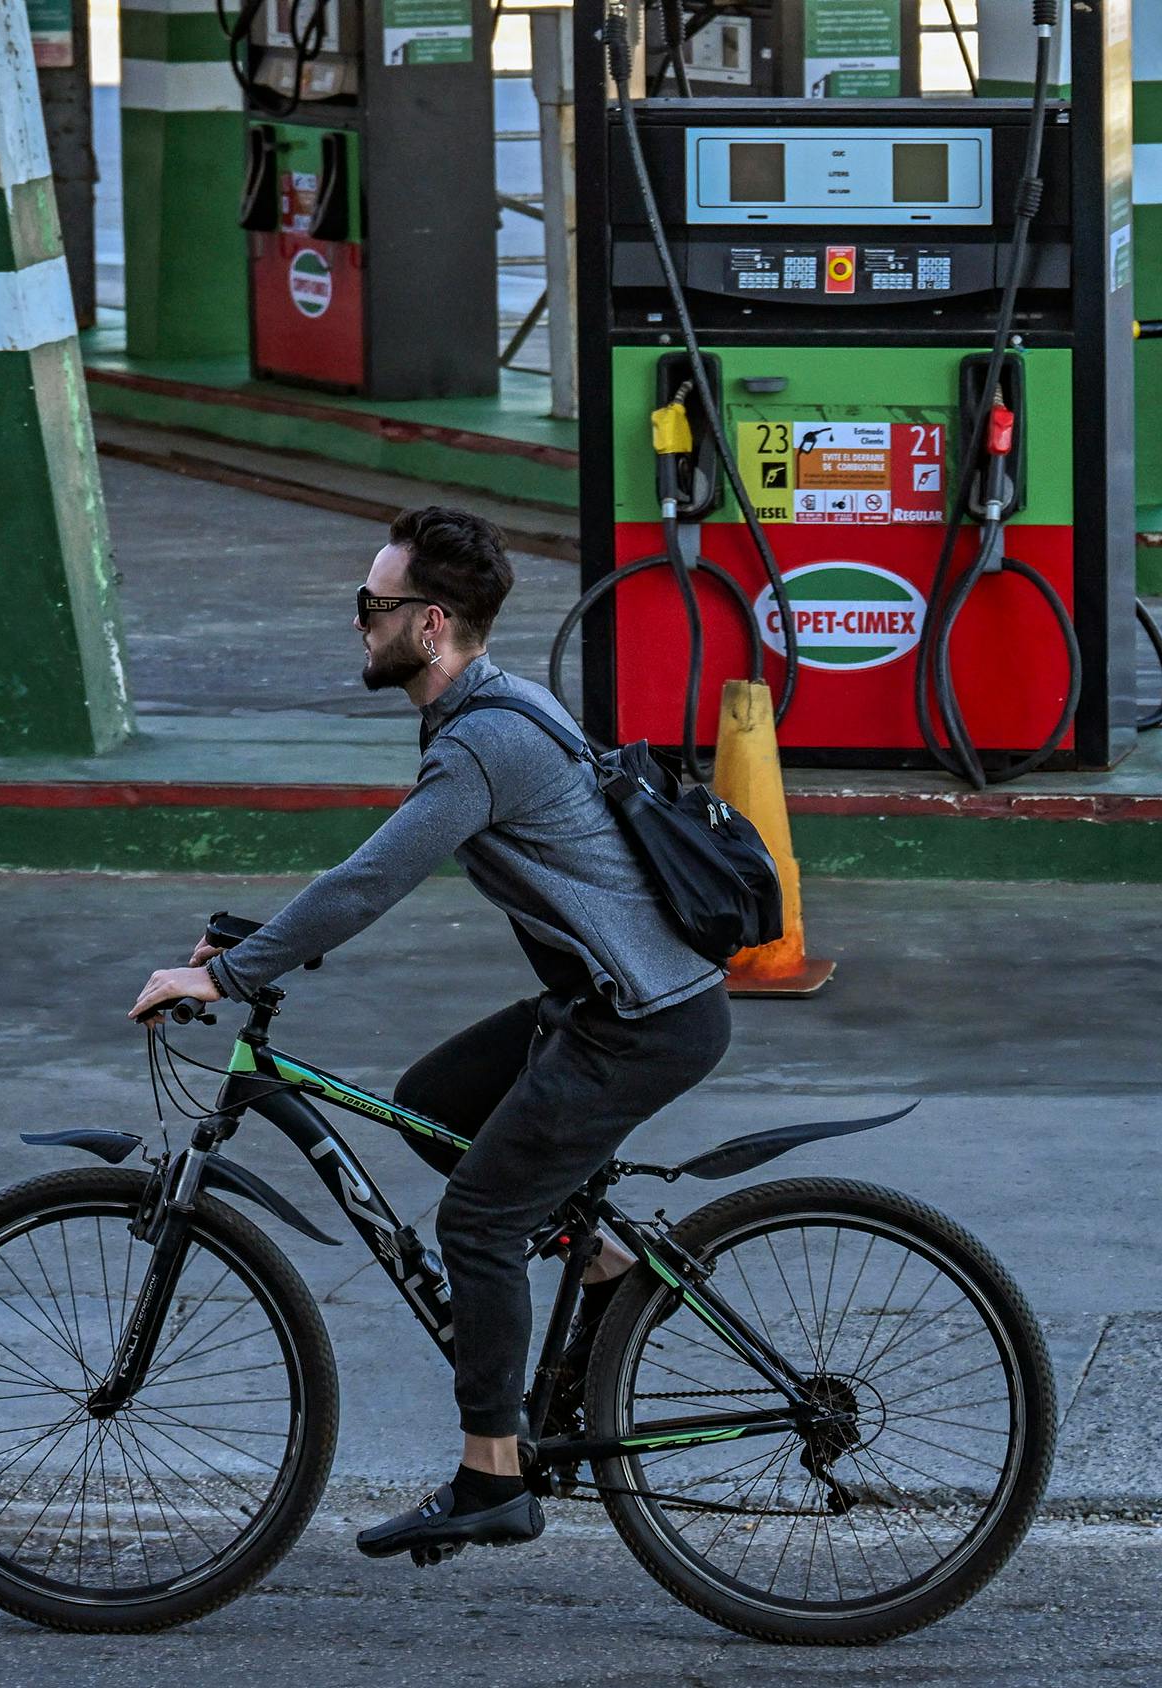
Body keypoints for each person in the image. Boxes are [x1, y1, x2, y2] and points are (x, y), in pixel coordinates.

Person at [125, 505, 732, 1561]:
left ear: (432, 623)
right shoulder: (497, 707)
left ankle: (491, 1473)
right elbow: (364, 881)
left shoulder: (481, 743)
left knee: (479, 1224)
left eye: (375, 604)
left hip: (643, 1019)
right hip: (620, 994)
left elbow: (372, 880)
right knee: (433, 1104)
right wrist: (256, 939)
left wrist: (226, 972)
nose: (359, 620)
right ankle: (604, 1261)